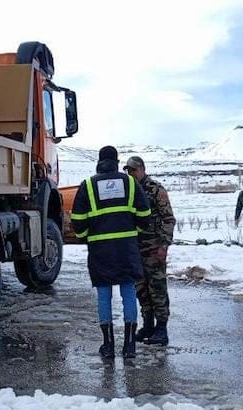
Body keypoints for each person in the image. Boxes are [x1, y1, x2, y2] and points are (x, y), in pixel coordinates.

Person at [71, 146, 151, 359]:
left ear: (99, 161)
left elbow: (77, 221)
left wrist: (88, 236)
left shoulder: (88, 185)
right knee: (129, 294)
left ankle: (108, 345)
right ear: (116, 162)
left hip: (100, 251)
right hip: (127, 249)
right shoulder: (130, 183)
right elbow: (145, 215)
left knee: (104, 296)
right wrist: (134, 233)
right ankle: (130, 346)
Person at [123, 156, 175, 346]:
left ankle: (161, 328)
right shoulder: (129, 190)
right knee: (141, 289)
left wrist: (164, 245)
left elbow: (168, 219)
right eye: (128, 171)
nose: (131, 174)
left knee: (157, 288)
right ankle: (148, 325)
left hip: (154, 248)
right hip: (136, 248)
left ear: (142, 169)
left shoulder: (155, 189)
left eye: (133, 170)